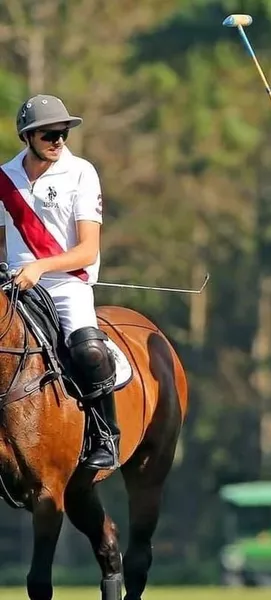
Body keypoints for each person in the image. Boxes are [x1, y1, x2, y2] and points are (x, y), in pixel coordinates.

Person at [0, 94, 121, 471]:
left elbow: (87, 251)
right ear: (28, 136)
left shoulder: (81, 172)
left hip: (67, 284)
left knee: (89, 351)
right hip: (14, 284)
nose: (58, 141)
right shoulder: (4, 177)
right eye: (49, 134)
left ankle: (106, 435)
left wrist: (39, 267)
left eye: (63, 133)